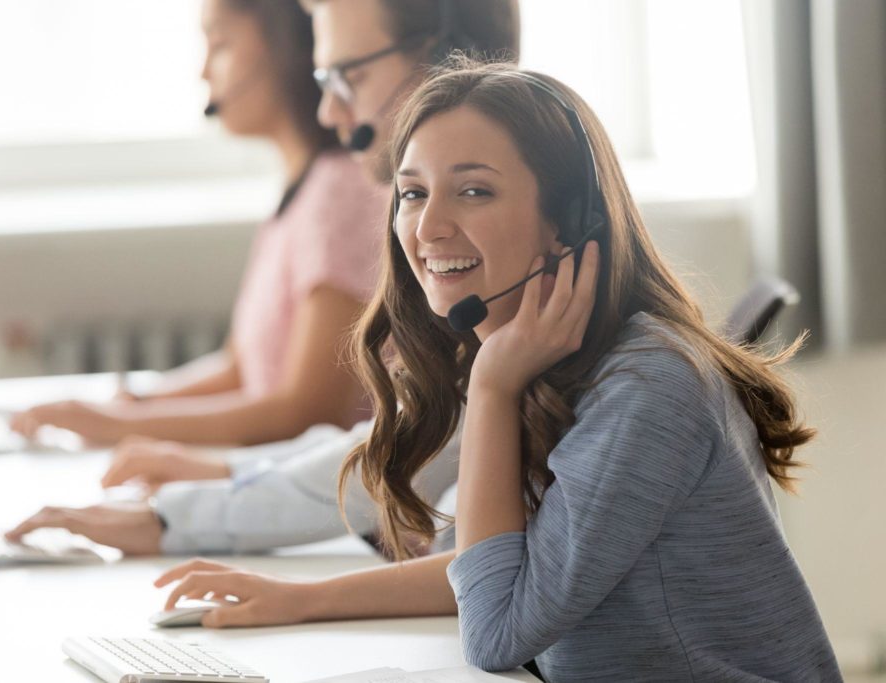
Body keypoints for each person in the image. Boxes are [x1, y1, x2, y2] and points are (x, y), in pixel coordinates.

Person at [150, 61, 843, 681]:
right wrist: (298, 600)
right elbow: (497, 565)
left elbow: (496, 628)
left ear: (566, 222)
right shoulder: (554, 359)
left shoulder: (645, 387)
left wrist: (491, 388)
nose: (427, 228)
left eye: (474, 191)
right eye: (413, 192)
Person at [6, 0, 520, 556]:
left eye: (351, 75)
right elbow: (393, 445)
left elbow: (325, 420)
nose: (329, 110)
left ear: (448, 68)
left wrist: (176, 504)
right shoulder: (433, 252)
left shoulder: (409, 231)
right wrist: (192, 461)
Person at [8, 0, 385, 449]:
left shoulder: (339, 193)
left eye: (221, 44)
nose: (204, 72)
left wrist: (118, 428)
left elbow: (306, 412)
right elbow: (241, 368)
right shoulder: (302, 192)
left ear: (287, 50)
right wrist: (133, 406)